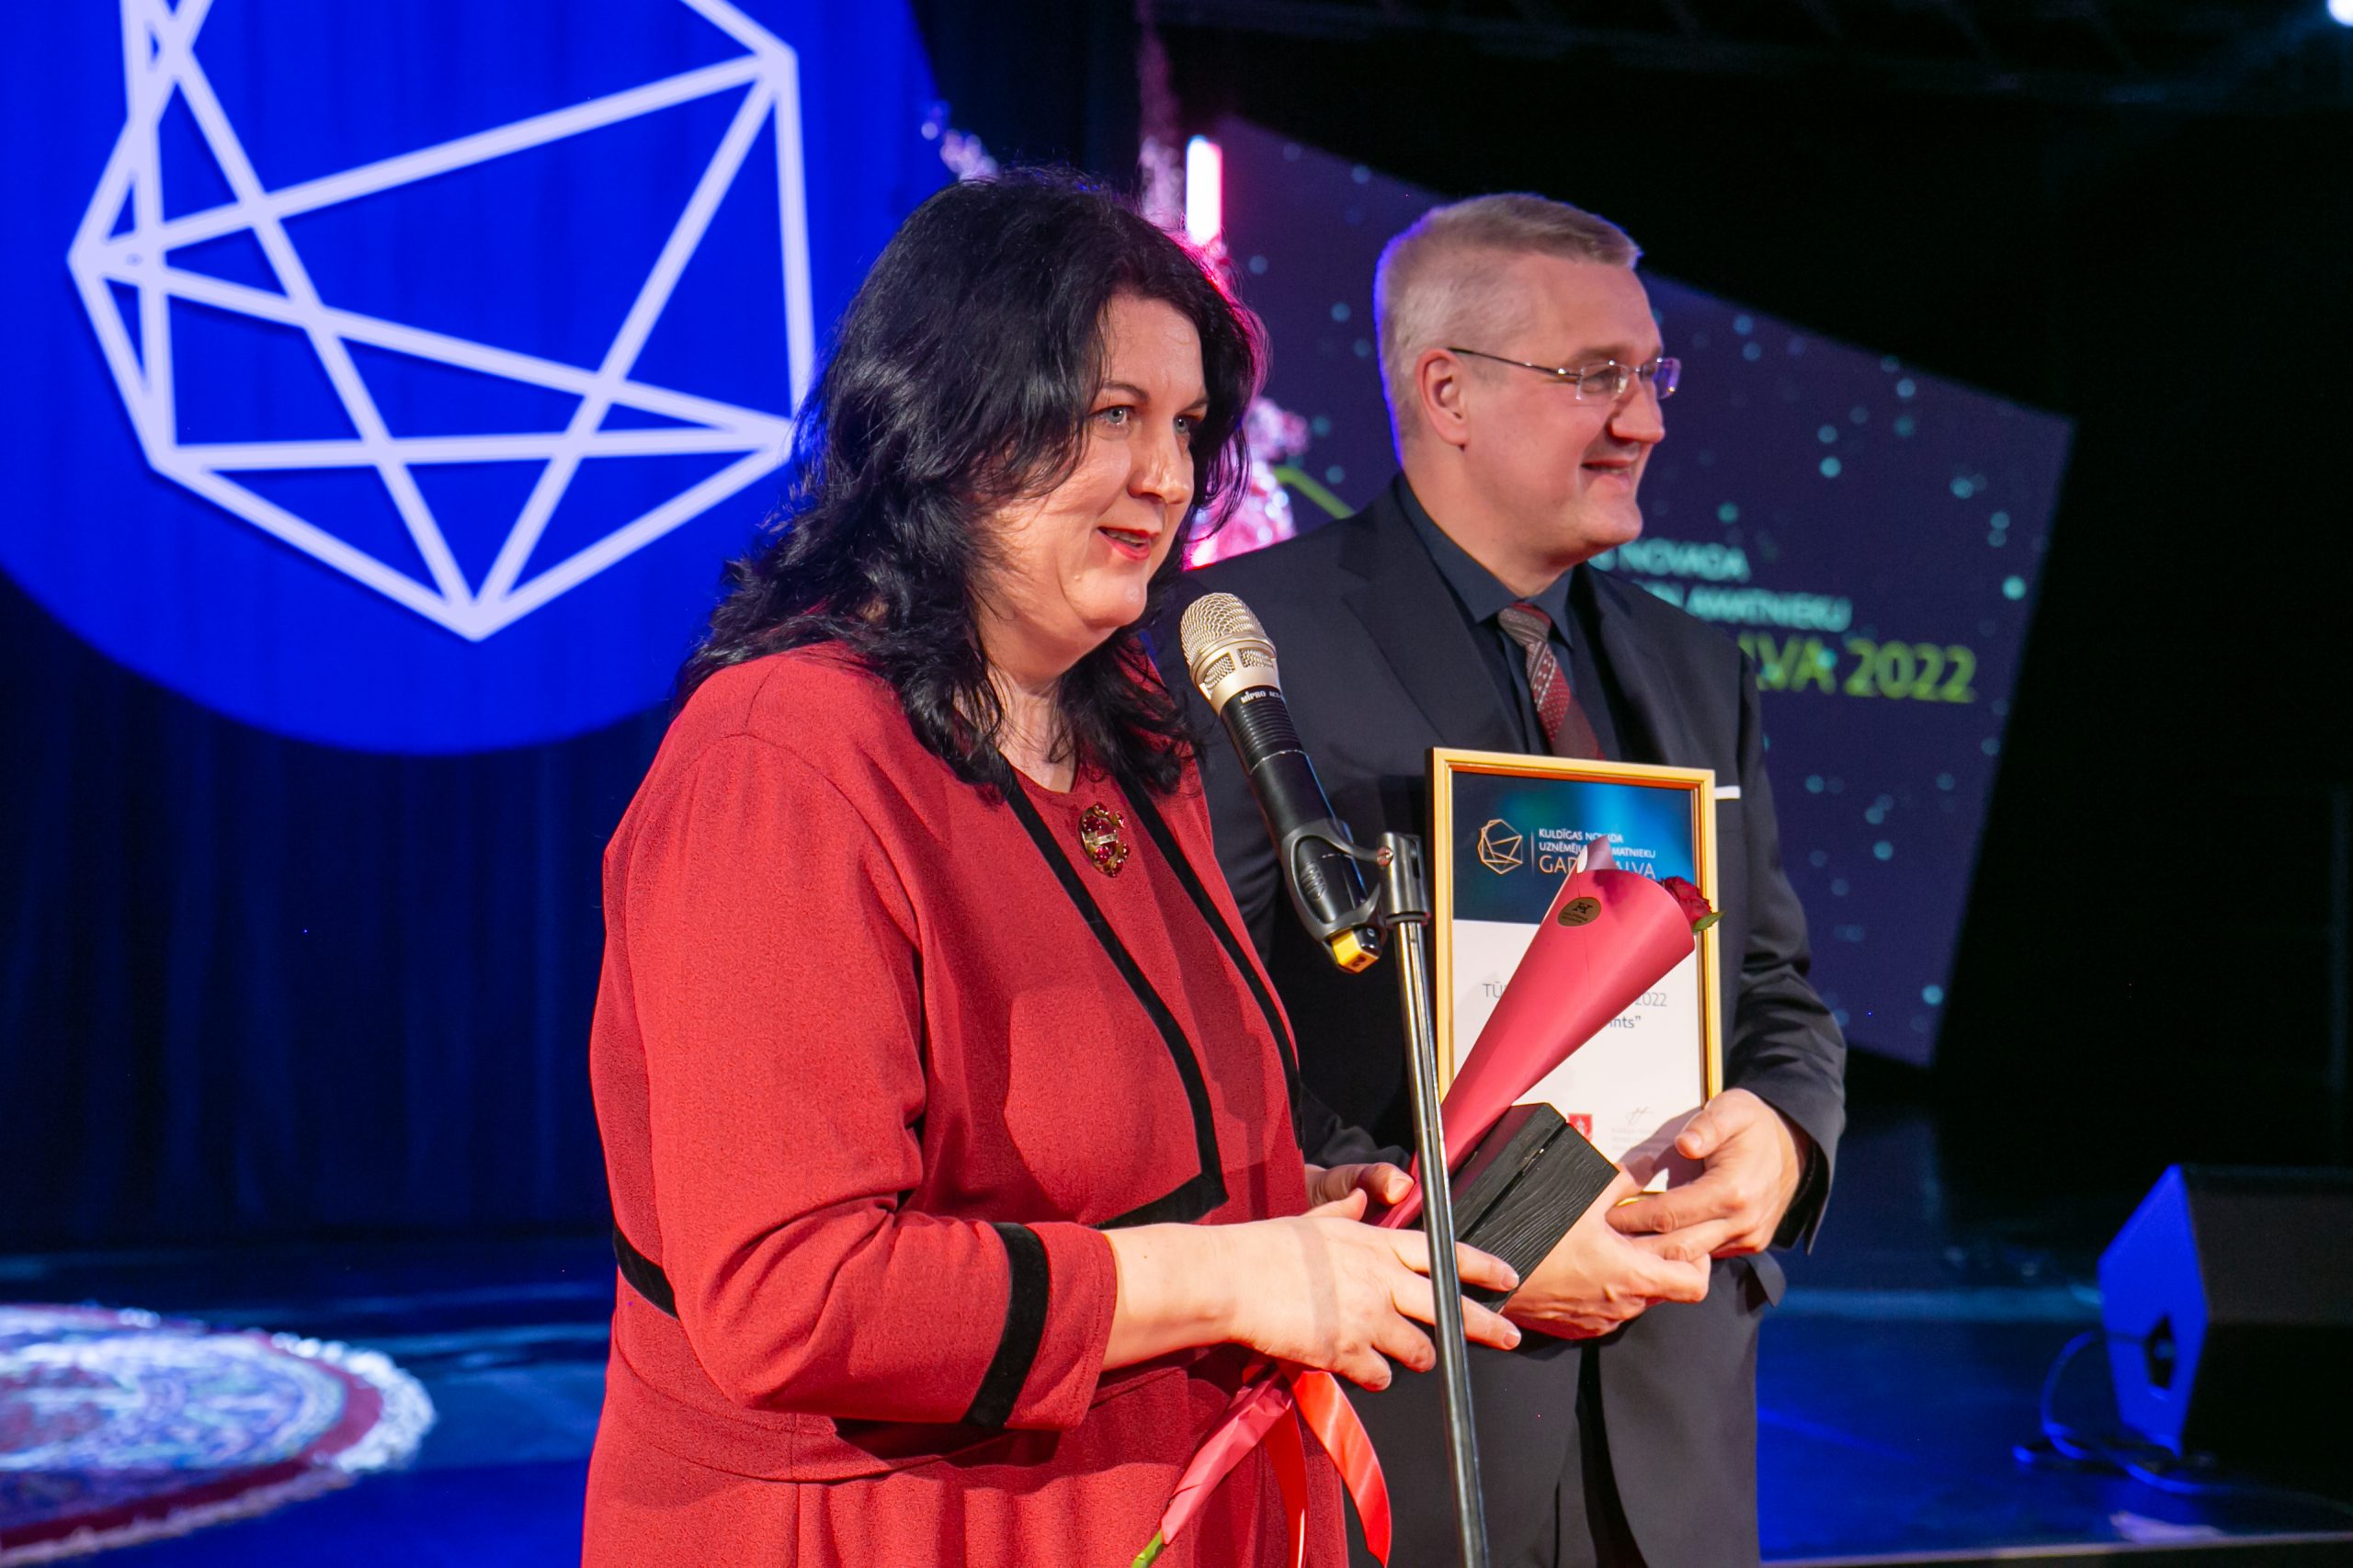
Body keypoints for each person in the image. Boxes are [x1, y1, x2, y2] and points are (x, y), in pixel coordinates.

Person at [580, 170, 1521, 1568]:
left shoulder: (1130, 732)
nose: (1168, 476)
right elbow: (794, 1292)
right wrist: (1230, 1274)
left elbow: (1118, 1166)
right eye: (1112, 414)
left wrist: (1287, 1212)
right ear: (957, 420)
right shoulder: (782, 758)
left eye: (1187, 425)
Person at [1166, 195, 1847, 1565]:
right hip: (1413, 1423)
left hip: (1675, 1451)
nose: (1644, 420)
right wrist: (1494, 1228)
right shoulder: (1248, 647)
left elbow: (1773, 989)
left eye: (1651, 375)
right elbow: (1197, 1043)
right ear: (1448, 392)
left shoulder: (1697, 669)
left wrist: (1784, 1142)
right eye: (1596, 375)